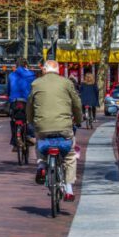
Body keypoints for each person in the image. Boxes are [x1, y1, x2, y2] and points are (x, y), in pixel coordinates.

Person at [27, 60, 82, 201]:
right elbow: (76, 104)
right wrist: (78, 119)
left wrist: (31, 122)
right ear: (58, 71)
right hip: (64, 127)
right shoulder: (67, 83)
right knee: (70, 156)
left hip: (43, 127)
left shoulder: (36, 84)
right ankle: (69, 189)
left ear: (44, 70)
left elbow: (29, 106)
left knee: (39, 142)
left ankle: (41, 165)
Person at [7, 57, 36, 151]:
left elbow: (8, 90)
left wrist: (9, 97)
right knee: (30, 117)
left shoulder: (11, 75)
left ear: (16, 65)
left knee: (13, 120)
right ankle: (29, 135)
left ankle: (15, 141)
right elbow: (34, 89)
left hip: (14, 101)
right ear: (26, 65)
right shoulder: (31, 74)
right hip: (26, 100)